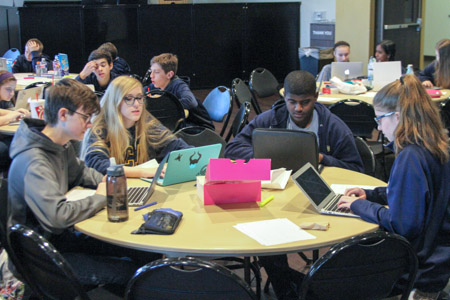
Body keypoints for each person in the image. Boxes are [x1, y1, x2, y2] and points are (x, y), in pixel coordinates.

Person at [7, 78, 147, 291]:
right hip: (40, 257)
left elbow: (81, 173)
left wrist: (108, 182)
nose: (90, 124)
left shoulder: (59, 145)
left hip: (59, 240)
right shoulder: (34, 161)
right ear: (63, 115)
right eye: (85, 117)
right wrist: (102, 197)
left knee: (141, 252)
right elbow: (57, 217)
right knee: (129, 272)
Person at [338, 75, 450, 300]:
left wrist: (361, 205)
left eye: (380, 119)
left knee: (344, 269)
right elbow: (418, 195)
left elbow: (403, 223)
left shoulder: (410, 157)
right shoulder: (436, 144)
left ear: (397, 116)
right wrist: (371, 194)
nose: (378, 127)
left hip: (418, 271)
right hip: (439, 260)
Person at [225, 70, 363, 173]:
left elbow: (356, 169)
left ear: (315, 97)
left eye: (305, 102)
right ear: (285, 97)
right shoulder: (271, 119)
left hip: (318, 186)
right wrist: (265, 155)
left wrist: (323, 159)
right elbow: (232, 149)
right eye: (292, 102)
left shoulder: (333, 126)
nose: (299, 108)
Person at [82, 76, 190, 177]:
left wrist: (198, 157)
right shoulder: (99, 127)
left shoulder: (147, 123)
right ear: (115, 102)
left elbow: (177, 147)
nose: (136, 104)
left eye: (139, 98)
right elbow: (97, 165)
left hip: (141, 188)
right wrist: (143, 172)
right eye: (128, 99)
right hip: (111, 190)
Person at [144, 53, 214, 130]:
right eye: (151, 71)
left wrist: (166, 105)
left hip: (199, 128)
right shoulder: (157, 85)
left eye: (156, 72)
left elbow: (191, 101)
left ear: (169, 75)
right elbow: (145, 90)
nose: (151, 75)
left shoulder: (179, 85)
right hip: (183, 124)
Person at [0, 71, 30, 172]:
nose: (12, 93)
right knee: (19, 144)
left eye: (13, 90)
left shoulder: (3, 102)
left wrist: (15, 113)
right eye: (8, 89)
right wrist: (12, 115)